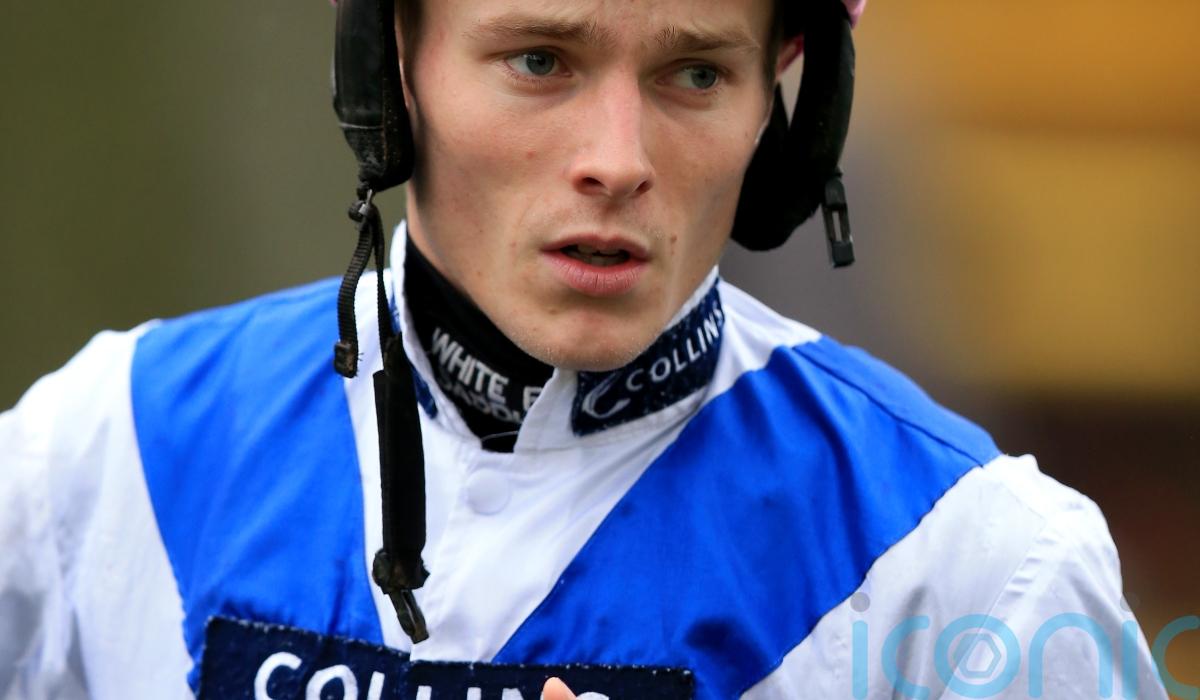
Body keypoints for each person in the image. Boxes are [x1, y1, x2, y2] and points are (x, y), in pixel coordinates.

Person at [0, 0, 1170, 698]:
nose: (617, 158)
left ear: (785, 106)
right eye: (541, 61)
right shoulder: (103, 456)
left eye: (694, 73)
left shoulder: (978, 561)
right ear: (391, 65)